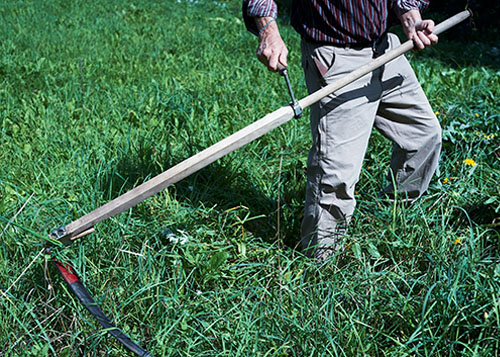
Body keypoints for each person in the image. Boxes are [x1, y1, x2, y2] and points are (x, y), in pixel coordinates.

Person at [242, 0, 442, 262]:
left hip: (386, 49)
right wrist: (268, 32)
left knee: (424, 136)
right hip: (337, 59)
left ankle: (390, 221)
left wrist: (410, 16)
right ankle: (320, 267)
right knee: (335, 174)